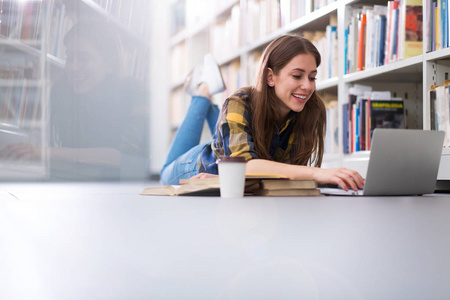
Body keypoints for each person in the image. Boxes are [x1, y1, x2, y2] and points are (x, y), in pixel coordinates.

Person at [161, 34, 365, 191]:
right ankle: (203, 92)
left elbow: (284, 177)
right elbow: (245, 168)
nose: (307, 86)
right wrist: (319, 174)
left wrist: (228, 182)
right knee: (164, 174)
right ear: (270, 77)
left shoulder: (311, 109)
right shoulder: (240, 103)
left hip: (232, 159)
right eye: (297, 76)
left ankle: (209, 99)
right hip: (200, 166)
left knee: (232, 131)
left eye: (312, 77)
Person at [0, 20, 149, 180]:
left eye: (84, 58)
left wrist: (43, 152)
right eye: (70, 58)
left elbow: (124, 157)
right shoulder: (62, 90)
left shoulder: (137, 92)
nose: (73, 67)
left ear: (110, 64)